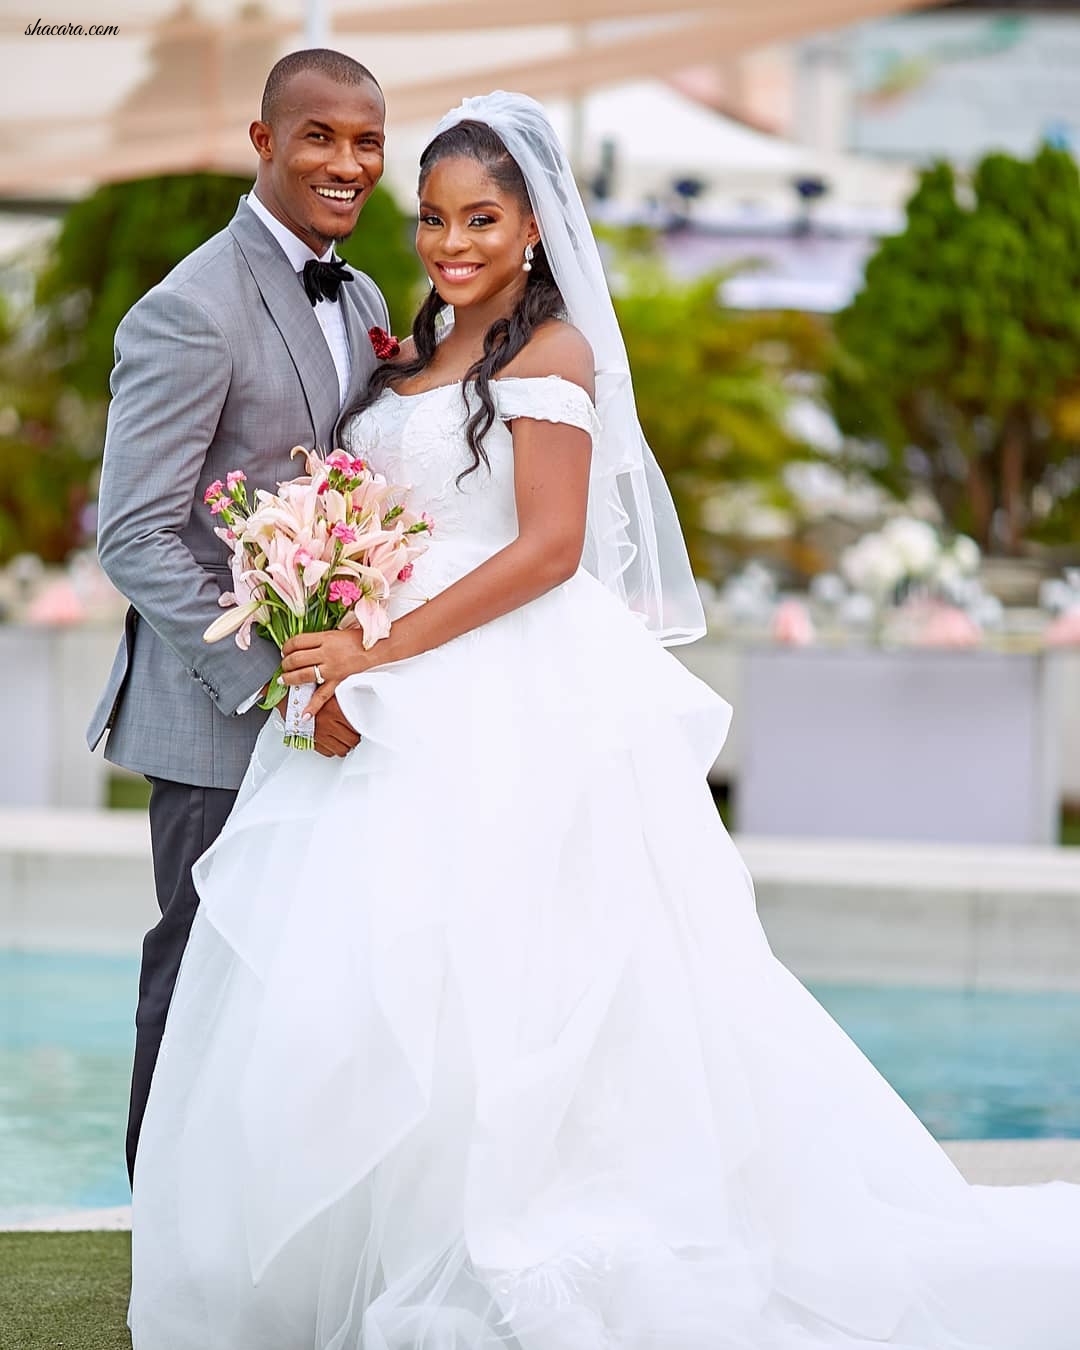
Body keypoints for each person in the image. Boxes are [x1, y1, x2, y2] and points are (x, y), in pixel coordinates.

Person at [128, 93, 1080, 1349]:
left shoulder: (552, 355)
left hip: (487, 685)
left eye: (481, 219)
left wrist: (378, 652)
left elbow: (550, 550)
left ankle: (494, 1242)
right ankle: (351, 1247)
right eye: (433, 219)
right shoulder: (407, 345)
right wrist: (335, 629)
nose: (451, 243)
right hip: (367, 689)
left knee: (513, 977)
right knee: (369, 980)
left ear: (535, 225)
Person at [87, 49, 392, 1184]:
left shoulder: (361, 296)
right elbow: (134, 534)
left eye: (366, 140)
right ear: (264, 143)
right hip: (223, 711)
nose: (347, 162)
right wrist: (275, 680)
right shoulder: (189, 309)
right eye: (319, 137)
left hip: (338, 702)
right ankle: (159, 1232)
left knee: (300, 980)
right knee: (199, 971)